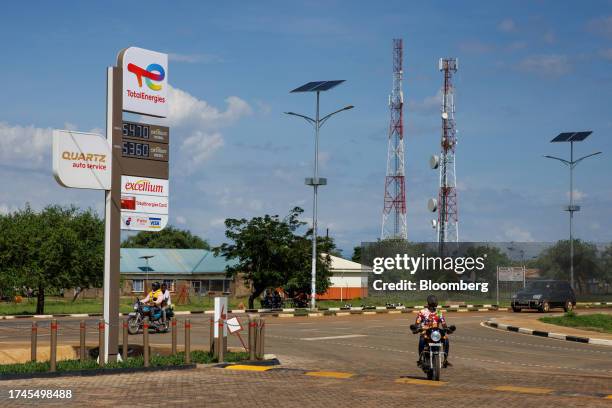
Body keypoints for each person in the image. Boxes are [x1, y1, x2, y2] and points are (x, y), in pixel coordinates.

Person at [415, 295, 452, 367]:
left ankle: (445, 359)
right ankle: (420, 359)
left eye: (434, 302)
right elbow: (417, 322)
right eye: (432, 302)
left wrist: (448, 329)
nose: (433, 304)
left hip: (436, 333)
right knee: (422, 340)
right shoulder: (422, 312)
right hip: (425, 332)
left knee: (446, 339)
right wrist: (416, 328)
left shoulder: (439, 312)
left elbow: (443, 324)